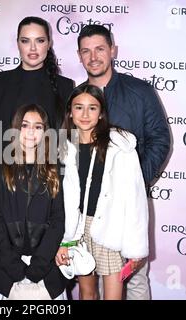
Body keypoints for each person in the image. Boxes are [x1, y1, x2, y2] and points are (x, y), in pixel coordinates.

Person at [76, 25, 170, 300]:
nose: (93, 56)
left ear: (113, 50)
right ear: (79, 55)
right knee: (90, 283)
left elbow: (160, 140)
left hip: (129, 209)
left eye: (100, 49)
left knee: (134, 279)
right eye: (86, 50)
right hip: (87, 210)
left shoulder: (139, 91)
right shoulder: (75, 97)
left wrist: (135, 184)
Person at [56, 84, 149, 300]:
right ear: (70, 111)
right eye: (79, 107)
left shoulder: (120, 146)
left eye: (92, 108)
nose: (85, 114)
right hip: (77, 227)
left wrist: (135, 248)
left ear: (101, 113)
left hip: (110, 228)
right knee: (87, 294)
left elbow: (135, 199)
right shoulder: (63, 147)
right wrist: (62, 239)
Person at [0, 16, 74, 189]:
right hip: (3, 182)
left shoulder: (65, 86)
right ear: (17, 43)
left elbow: (66, 141)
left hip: (49, 184)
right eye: (25, 41)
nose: (32, 48)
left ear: (49, 43)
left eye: (39, 40)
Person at [0, 104, 66, 300]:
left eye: (38, 126)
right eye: (24, 125)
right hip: (5, 270)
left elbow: (58, 220)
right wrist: (14, 266)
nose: (31, 131)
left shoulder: (54, 172)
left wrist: (39, 265)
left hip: (45, 269)